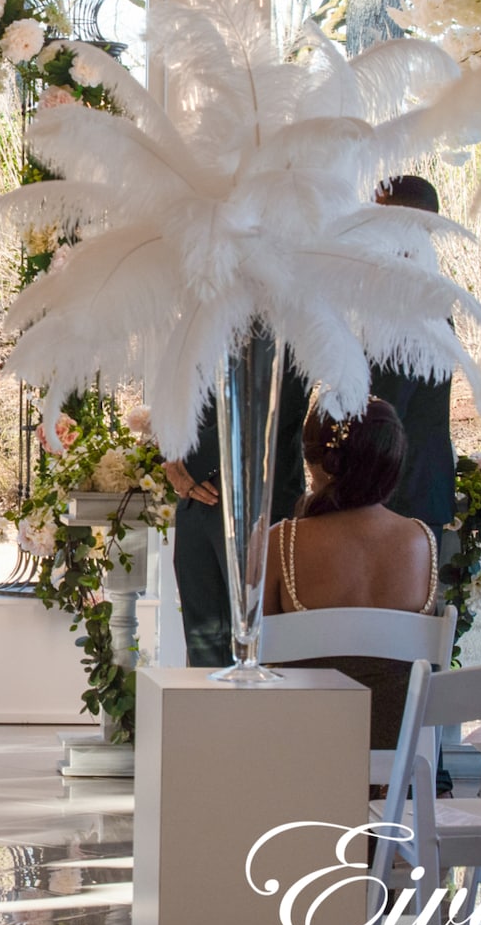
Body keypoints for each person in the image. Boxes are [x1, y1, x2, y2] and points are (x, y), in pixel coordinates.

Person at [262, 400, 439, 748]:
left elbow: (260, 656)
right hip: (399, 766)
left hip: (300, 752)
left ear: (318, 462)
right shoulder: (422, 541)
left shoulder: (282, 542)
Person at [163, 368, 311, 669]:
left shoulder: (285, 326)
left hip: (257, 498)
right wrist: (171, 455)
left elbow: (274, 404)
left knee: (260, 649)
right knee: (204, 648)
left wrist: (188, 458)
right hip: (196, 502)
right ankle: (209, 716)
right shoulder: (206, 331)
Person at [369, 175, 457, 533]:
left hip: (405, 497)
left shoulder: (412, 299)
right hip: (403, 492)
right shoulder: (405, 289)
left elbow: (387, 408)